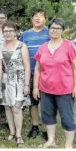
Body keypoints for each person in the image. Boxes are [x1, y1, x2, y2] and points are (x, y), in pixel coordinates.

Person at [33, 18, 76, 148]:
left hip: (65, 89)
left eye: (58, 28)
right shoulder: (42, 47)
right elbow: (37, 69)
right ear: (49, 29)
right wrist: (35, 87)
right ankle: (51, 140)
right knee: (47, 115)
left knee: (67, 117)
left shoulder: (69, 45)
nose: (55, 30)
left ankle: (68, 145)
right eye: (52, 28)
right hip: (45, 89)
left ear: (62, 31)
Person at [19, 9, 50, 139]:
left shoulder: (49, 33)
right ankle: (35, 126)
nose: (37, 18)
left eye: (41, 16)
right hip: (30, 73)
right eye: (35, 16)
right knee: (33, 102)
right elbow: (19, 53)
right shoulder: (25, 35)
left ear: (45, 19)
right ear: (32, 19)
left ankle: (49, 129)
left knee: (48, 102)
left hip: (47, 74)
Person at [0, 21, 31, 146]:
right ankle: (11, 131)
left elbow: (27, 66)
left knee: (17, 108)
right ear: (3, 33)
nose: (8, 33)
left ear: (15, 32)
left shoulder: (21, 46)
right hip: (5, 80)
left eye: (10, 31)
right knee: (7, 107)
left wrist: (27, 85)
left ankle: (18, 134)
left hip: (19, 81)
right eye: (5, 31)